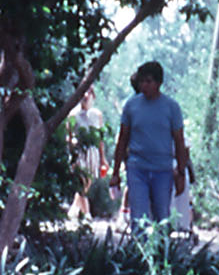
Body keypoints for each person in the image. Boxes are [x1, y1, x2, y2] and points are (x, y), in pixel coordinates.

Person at [110, 61, 189, 228]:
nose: (144, 86)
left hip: (163, 170)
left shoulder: (171, 107)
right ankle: (139, 245)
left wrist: (181, 172)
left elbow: (179, 141)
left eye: (148, 81)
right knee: (139, 217)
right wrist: (115, 172)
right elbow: (123, 139)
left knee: (162, 216)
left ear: (158, 83)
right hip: (137, 168)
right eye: (141, 81)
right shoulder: (131, 106)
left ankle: (161, 245)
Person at [68, 87, 105, 221]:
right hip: (79, 151)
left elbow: (100, 138)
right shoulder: (73, 114)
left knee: (87, 183)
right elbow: (69, 135)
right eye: (84, 92)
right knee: (82, 181)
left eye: (89, 92)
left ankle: (74, 209)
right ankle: (87, 213)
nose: (85, 95)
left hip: (92, 153)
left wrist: (103, 159)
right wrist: (72, 150)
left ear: (93, 95)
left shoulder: (97, 114)